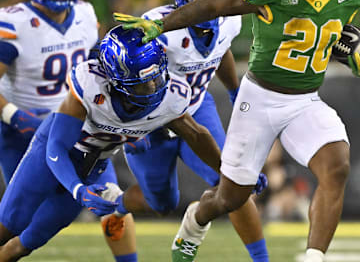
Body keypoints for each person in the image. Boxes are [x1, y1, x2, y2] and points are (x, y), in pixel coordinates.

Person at [114, 0, 359, 262]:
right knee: (231, 197)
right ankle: (196, 219)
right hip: (259, 100)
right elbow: (214, 6)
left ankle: (314, 256)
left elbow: (344, 37)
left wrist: (352, 51)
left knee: (336, 166)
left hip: (306, 100)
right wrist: (161, 24)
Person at [0, 25, 222, 261]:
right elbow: (56, 147)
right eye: (140, 83)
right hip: (52, 157)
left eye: (156, 78)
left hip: (92, 168)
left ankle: (116, 204)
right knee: (10, 225)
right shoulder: (90, 84)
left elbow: (196, 135)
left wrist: (228, 172)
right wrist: (78, 190)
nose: (152, 88)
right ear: (114, 79)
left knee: (26, 244)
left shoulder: (172, 95)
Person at [122, 0, 269, 262]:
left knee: (233, 186)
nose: (206, 5)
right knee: (162, 203)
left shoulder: (230, 18)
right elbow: (124, 82)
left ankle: (260, 259)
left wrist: (232, 90)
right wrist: (130, 127)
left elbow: (222, 48)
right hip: (151, 123)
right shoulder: (157, 29)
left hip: (197, 108)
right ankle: (115, 202)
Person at [0, 0, 136, 262]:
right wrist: (13, 115)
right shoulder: (13, 23)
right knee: (19, 219)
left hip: (76, 127)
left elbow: (98, 71)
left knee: (111, 202)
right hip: (21, 130)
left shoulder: (86, 15)